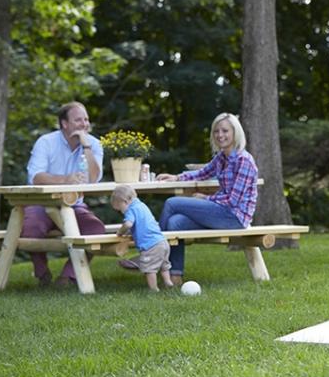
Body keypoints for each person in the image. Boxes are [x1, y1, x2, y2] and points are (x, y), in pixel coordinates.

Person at [119, 113, 258, 285]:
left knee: (172, 203)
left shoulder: (244, 161)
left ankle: (150, 253)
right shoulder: (222, 158)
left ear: (235, 133)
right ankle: (175, 275)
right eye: (216, 131)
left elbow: (234, 201)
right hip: (220, 212)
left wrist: (206, 199)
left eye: (225, 131)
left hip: (234, 217)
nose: (220, 135)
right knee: (175, 223)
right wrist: (177, 177)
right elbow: (202, 173)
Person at [22, 101, 106, 287]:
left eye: (86, 119)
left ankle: (68, 276)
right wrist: (65, 180)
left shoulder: (93, 144)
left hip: (74, 204)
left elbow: (94, 179)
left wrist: (86, 146)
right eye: (78, 120)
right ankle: (42, 272)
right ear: (64, 124)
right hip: (42, 203)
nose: (84, 124)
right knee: (31, 228)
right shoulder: (46, 142)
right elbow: (35, 176)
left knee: (96, 231)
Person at [111, 185, 174, 291]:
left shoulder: (131, 210)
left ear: (125, 202)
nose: (121, 212)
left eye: (120, 209)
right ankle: (168, 282)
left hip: (151, 246)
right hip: (162, 242)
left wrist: (120, 232)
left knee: (150, 269)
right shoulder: (142, 206)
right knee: (164, 265)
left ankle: (154, 289)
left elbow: (128, 224)